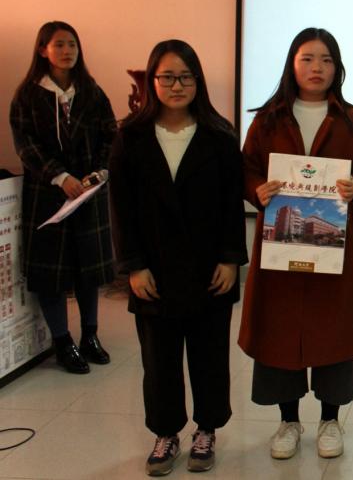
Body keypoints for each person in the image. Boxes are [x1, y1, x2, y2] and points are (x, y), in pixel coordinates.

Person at [238, 27, 353, 460]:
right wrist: (257, 189)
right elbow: (246, 170)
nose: (317, 67)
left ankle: (330, 419)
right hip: (280, 249)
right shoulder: (268, 119)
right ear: (292, 64)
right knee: (280, 331)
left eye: (326, 59)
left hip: (332, 250)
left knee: (333, 331)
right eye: (307, 58)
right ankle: (288, 420)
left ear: (337, 68)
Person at [109, 40, 247, 475]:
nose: (177, 85)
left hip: (210, 268)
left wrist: (231, 258)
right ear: (151, 81)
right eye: (167, 77)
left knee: (210, 356)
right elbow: (120, 209)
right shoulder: (130, 137)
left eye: (186, 77)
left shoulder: (220, 135)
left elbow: (231, 205)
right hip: (154, 270)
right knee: (159, 361)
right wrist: (133, 266)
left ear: (198, 81)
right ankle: (166, 433)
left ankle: (207, 429)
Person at [9, 21, 116, 374]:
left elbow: (110, 135)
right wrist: (61, 176)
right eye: (59, 44)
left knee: (88, 269)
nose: (67, 51)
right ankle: (62, 341)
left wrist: (99, 173)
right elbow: (26, 145)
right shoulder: (28, 95)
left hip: (88, 191)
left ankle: (90, 336)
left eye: (72, 44)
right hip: (47, 193)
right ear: (43, 50)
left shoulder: (91, 91)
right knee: (50, 272)